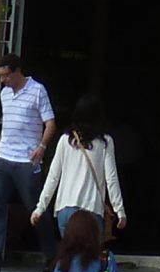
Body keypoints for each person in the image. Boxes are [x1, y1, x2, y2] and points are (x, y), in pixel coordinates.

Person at [0, 52, 57, 272]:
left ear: (17, 72)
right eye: (0, 76)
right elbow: (6, 128)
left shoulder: (37, 90)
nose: (3, 80)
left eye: (6, 75)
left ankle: (52, 256)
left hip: (27, 160)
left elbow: (50, 123)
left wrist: (42, 147)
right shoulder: (5, 94)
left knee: (36, 208)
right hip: (4, 157)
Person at [32, 92, 126, 243]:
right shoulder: (105, 143)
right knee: (88, 261)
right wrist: (119, 211)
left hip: (65, 209)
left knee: (70, 257)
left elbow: (53, 177)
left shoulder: (65, 140)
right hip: (92, 210)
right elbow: (111, 178)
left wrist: (40, 208)